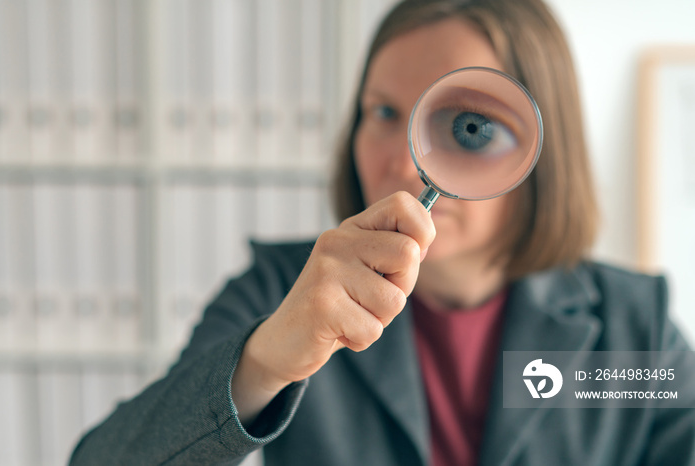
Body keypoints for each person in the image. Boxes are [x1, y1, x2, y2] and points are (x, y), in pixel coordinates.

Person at [70, 0, 695, 464]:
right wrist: (267, 358)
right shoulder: (281, 291)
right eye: (384, 113)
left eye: (469, 126)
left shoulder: (634, 323)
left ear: (539, 149)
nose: (403, 161)